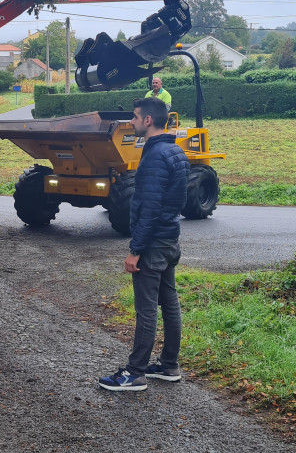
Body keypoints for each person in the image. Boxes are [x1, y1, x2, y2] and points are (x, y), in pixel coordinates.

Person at [98, 96, 190, 391]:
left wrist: (135, 250)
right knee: (170, 303)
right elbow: (176, 202)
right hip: (169, 239)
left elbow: (149, 208)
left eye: (135, 117)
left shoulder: (154, 157)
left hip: (152, 244)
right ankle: (169, 365)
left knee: (147, 309)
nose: (132, 122)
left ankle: (135, 373)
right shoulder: (176, 152)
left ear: (148, 120)